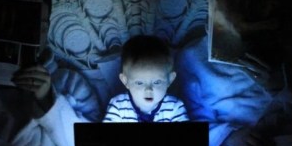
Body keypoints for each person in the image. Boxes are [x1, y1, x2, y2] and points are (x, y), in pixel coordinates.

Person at [14, 34, 188, 126]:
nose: (148, 90)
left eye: (157, 82)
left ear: (170, 79)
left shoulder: (175, 108)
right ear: (125, 81)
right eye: (139, 83)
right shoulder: (118, 106)